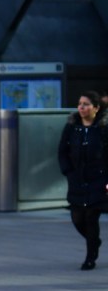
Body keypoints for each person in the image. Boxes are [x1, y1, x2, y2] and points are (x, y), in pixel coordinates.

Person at [58, 91, 108, 270]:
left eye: (86, 104)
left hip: (98, 179)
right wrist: (68, 171)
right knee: (77, 218)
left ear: (96, 108)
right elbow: (62, 151)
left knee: (91, 217)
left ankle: (90, 257)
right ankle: (94, 242)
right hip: (77, 179)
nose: (81, 107)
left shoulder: (103, 128)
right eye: (80, 104)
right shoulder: (72, 127)